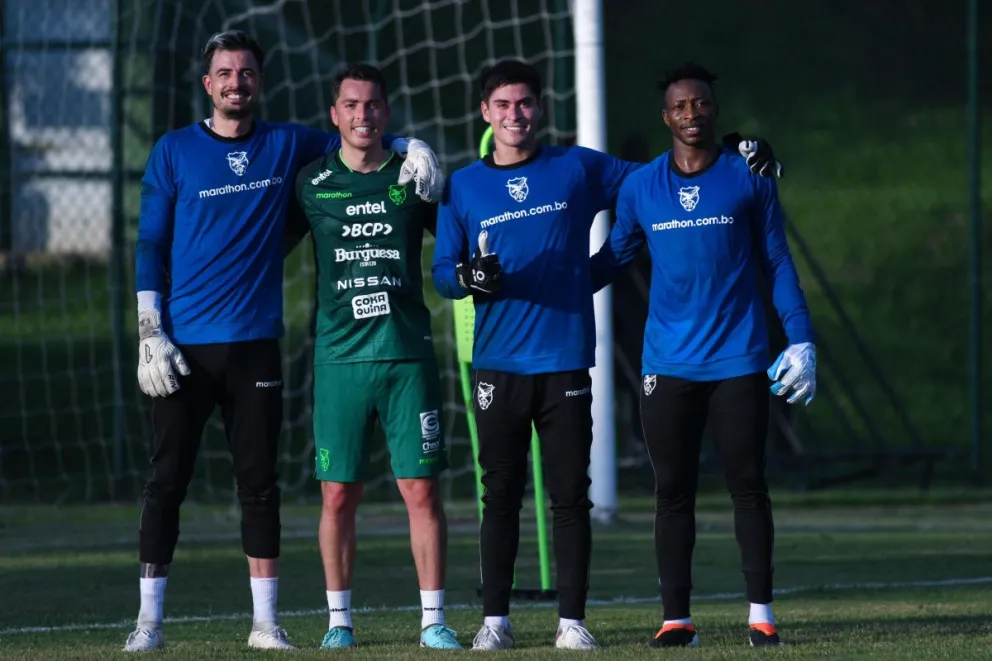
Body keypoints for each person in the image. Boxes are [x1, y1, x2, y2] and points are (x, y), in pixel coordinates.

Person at [430, 59, 784, 651]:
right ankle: (495, 621)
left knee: (571, 496)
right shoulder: (463, 185)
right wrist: (469, 276)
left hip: (566, 356)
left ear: (539, 109)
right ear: (486, 114)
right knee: (500, 495)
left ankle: (572, 621)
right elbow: (443, 273)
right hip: (497, 362)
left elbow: (666, 172)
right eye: (503, 105)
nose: (514, 114)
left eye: (524, 103)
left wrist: (733, 146)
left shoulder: (577, 167)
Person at [126, 30, 444, 652]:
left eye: (246, 73)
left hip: (255, 346)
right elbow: (150, 244)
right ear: (207, 83)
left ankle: (265, 623)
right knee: (166, 482)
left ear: (259, 83)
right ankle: (148, 623)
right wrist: (149, 326)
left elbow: (357, 137)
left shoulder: (287, 144)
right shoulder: (173, 150)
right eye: (224, 73)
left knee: (260, 485)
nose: (235, 83)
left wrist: (410, 143)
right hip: (183, 348)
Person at [589, 61, 816, 649]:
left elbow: (778, 261)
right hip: (667, 366)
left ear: (715, 110)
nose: (692, 113)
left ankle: (761, 616)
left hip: (741, 362)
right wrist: (546, 282)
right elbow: (614, 258)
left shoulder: (749, 175)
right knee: (674, 491)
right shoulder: (641, 187)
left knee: (748, 484)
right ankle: (676, 620)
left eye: (701, 103)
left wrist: (801, 337)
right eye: (681, 106)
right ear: (666, 117)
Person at [285, 64, 461, 651]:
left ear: (387, 112)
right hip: (339, 360)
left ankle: (433, 620)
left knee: (422, 490)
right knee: (338, 493)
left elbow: (460, 230)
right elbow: (264, 242)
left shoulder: (413, 178)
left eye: (374, 105)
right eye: (351, 105)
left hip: (408, 357)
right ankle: (339, 622)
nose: (363, 115)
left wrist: (429, 161)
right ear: (334, 114)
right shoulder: (310, 183)